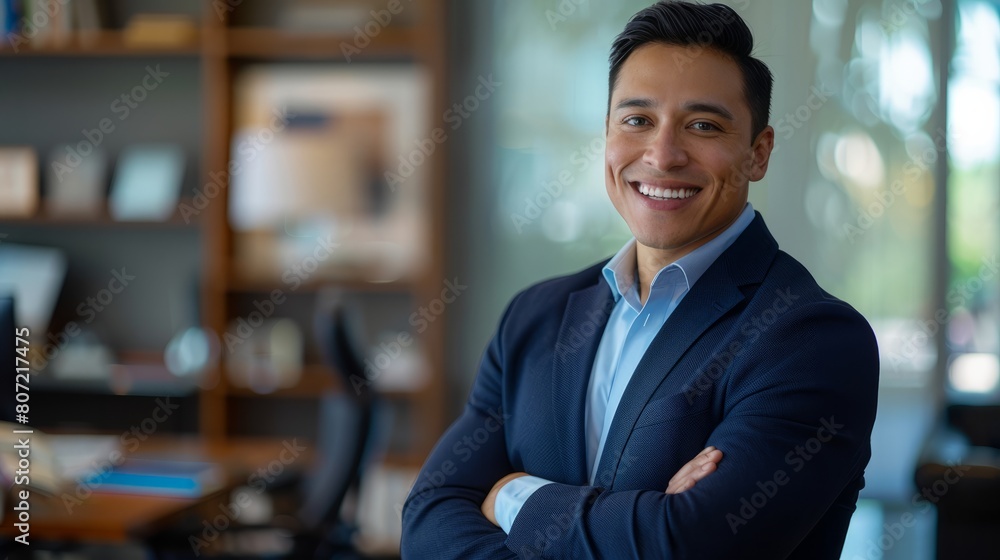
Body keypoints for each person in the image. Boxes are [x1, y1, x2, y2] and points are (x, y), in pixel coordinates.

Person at [401, 2, 879, 558]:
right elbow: (429, 516)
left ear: (758, 153)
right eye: (637, 120)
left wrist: (511, 493)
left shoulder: (811, 339)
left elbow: (689, 545)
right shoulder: (535, 318)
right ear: (606, 134)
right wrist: (643, 522)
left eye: (703, 125)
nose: (663, 154)